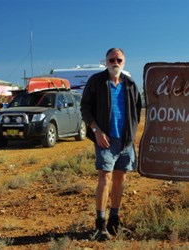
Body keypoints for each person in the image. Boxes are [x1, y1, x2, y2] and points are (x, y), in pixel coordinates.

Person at [80, 48, 142, 239]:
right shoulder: (96, 81)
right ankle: (100, 225)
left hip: (125, 141)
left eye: (119, 59)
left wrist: (131, 132)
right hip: (105, 139)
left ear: (124, 61)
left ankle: (114, 221)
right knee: (104, 179)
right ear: (106, 62)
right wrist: (96, 131)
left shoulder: (130, 84)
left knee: (120, 179)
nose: (115, 62)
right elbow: (85, 107)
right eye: (111, 59)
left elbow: (138, 109)